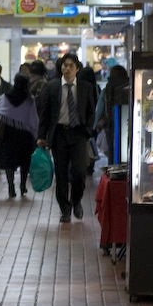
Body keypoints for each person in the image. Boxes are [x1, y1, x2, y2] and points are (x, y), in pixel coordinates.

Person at [36, 53, 96, 223]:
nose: (67, 68)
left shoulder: (85, 87)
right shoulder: (52, 87)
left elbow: (91, 111)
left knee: (79, 172)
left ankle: (76, 201)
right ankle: (65, 209)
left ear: (77, 68)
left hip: (78, 134)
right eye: (64, 65)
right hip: (59, 135)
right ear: (61, 68)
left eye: (71, 65)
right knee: (61, 174)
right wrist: (42, 136)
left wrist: (87, 131)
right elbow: (45, 114)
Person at [0, 73, 40, 199]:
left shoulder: (5, 97)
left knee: (9, 162)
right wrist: (36, 134)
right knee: (24, 162)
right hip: (25, 135)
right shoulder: (30, 99)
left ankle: (11, 186)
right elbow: (33, 118)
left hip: (9, 133)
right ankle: (23, 186)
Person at [93, 64, 129, 164]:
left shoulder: (107, 89)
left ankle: (113, 171)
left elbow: (99, 109)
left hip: (111, 125)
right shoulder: (129, 87)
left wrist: (95, 125)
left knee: (113, 150)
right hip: (128, 124)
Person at [77, 66, 101, 175]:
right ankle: (90, 165)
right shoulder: (97, 88)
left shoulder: (79, 88)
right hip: (93, 120)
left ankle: (82, 165)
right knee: (92, 143)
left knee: (81, 145)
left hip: (81, 121)